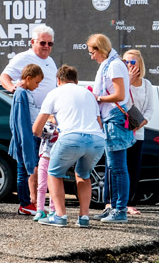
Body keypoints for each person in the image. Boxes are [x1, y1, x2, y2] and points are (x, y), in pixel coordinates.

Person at [31, 65, 105, 227]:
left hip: (71, 137)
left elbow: (36, 129)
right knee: (83, 175)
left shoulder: (54, 93)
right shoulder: (89, 94)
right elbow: (98, 123)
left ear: (58, 80)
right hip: (97, 140)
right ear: (76, 81)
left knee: (54, 173)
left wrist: (48, 128)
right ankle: (84, 217)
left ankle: (60, 215)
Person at [0, 24, 57, 215]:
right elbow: (4, 77)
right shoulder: (23, 60)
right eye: (42, 42)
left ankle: (34, 202)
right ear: (32, 42)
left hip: (43, 122)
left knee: (34, 164)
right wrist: (14, 89)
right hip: (31, 126)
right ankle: (27, 203)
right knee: (25, 166)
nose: (46, 46)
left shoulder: (50, 62)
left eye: (50, 43)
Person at [87, 33, 134, 223]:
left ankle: (120, 210)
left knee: (118, 167)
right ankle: (113, 206)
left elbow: (120, 94)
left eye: (92, 52)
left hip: (114, 117)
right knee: (112, 167)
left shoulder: (114, 65)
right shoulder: (109, 64)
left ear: (100, 49)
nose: (92, 57)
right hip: (110, 118)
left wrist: (97, 98)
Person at [7, 64, 42, 213]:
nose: (37, 85)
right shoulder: (21, 93)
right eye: (36, 82)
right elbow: (21, 121)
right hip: (25, 138)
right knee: (23, 171)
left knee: (26, 170)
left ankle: (27, 203)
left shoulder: (24, 91)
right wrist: (25, 141)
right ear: (28, 78)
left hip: (27, 137)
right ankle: (25, 204)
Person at [122, 49, 152, 216]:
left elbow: (150, 108)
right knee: (118, 167)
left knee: (133, 168)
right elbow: (121, 101)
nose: (129, 65)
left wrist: (141, 123)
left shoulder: (147, 85)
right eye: (126, 62)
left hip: (137, 132)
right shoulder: (121, 82)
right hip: (121, 131)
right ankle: (111, 202)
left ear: (139, 65)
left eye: (132, 62)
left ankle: (130, 202)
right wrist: (128, 81)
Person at [33, 118, 58, 222]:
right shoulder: (46, 120)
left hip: (56, 157)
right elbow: (42, 132)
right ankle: (40, 209)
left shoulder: (64, 120)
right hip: (45, 156)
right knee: (41, 185)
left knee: (54, 186)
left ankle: (53, 209)